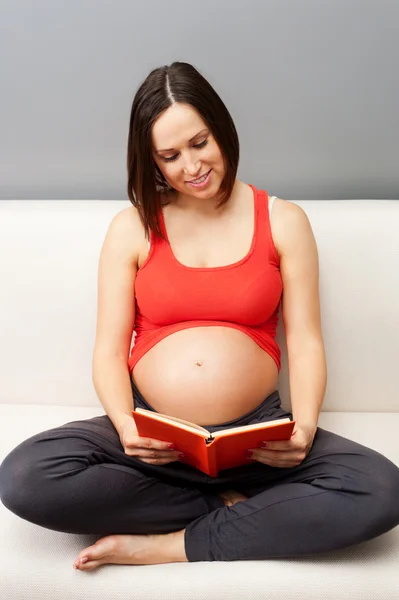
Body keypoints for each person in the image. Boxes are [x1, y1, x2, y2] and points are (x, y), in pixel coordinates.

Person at [1, 61, 399, 572]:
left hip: (256, 440)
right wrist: (126, 426)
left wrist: (302, 428)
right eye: (169, 156)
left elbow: (304, 341)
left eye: (199, 142)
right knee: (26, 477)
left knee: (380, 490)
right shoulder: (133, 228)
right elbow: (107, 348)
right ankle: (222, 511)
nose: (191, 166)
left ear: (221, 128)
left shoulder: (283, 220)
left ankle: (171, 544)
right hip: (153, 440)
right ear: (152, 163)